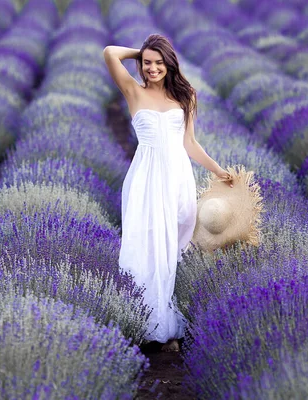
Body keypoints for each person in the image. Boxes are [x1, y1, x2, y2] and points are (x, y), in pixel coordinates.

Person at [103, 34, 233, 352]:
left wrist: (217, 171)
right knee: (146, 243)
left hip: (176, 177)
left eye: (159, 62)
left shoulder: (185, 96)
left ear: (169, 64)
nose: (152, 68)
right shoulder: (133, 90)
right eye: (147, 63)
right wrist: (141, 52)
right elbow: (109, 53)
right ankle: (149, 321)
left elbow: (189, 144)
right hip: (146, 178)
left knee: (175, 243)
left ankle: (163, 312)